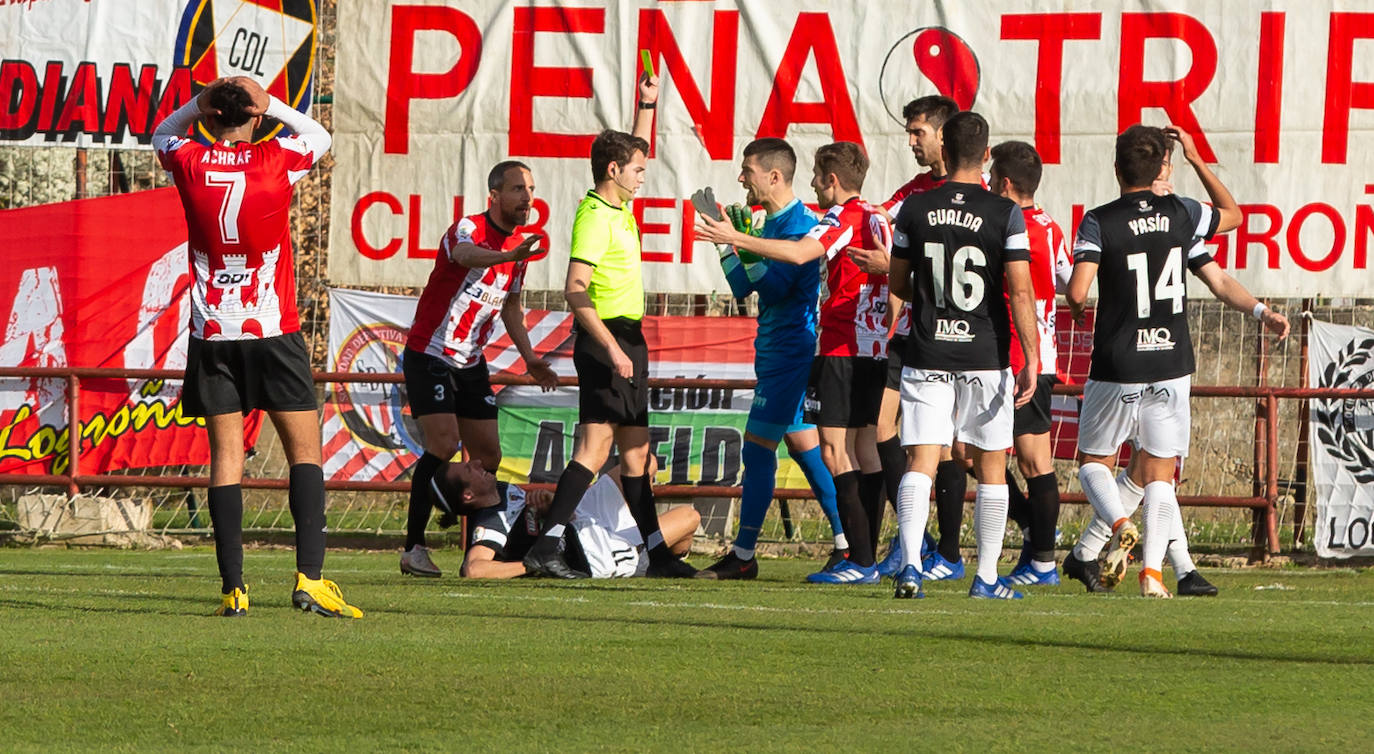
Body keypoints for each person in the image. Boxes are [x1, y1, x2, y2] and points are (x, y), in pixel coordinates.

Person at [152, 76, 360, 618]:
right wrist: (273, 107)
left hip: (213, 332)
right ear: (257, 115)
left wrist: (200, 104)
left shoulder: (191, 162)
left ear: (210, 116)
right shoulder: (277, 159)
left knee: (225, 457)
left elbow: (162, 132)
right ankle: (309, 580)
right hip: (271, 327)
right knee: (305, 453)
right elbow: (318, 134)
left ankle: (233, 589)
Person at [1063, 124, 1289, 597]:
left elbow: (1079, 292)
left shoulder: (1099, 220)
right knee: (1160, 471)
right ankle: (1153, 575)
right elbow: (1233, 218)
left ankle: (1119, 526)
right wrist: (1196, 157)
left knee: (1093, 464)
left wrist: (1081, 302)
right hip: (1170, 360)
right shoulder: (1182, 214)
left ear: (1115, 167)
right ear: (1164, 165)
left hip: (1118, 361)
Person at [521, 73, 697, 579]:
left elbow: (634, 151)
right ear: (614, 170)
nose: (644, 176)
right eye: (637, 170)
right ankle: (546, 544)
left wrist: (646, 105)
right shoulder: (595, 215)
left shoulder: (619, 204)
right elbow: (575, 290)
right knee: (596, 449)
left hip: (628, 339)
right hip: (608, 340)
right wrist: (613, 350)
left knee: (637, 454)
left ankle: (657, 553)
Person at [695, 141, 889, 584]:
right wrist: (730, 247)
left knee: (758, 447)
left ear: (773, 177)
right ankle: (847, 545)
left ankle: (744, 554)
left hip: (793, 352)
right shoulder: (775, 224)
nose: (742, 178)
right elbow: (745, 287)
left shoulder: (803, 225)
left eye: (748, 171)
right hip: (775, 347)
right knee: (808, 449)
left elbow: (780, 289)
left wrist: (742, 243)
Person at [887, 111, 1040, 600]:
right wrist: (1031, 357)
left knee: (921, 461)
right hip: (984, 355)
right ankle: (987, 578)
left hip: (928, 352)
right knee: (992, 467)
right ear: (987, 156)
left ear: (944, 152)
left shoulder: (914, 208)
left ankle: (911, 567)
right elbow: (1020, 291)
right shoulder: (1005, 212)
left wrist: (933, 299)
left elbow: (897, 284)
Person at [398, 160, 558, 578]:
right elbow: (465, 255)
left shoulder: (520, 249)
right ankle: (413, 545)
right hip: (430, 352)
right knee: (445, 444)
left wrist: (532, 359)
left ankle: (487, 542)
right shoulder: (467, 229)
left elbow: (511, 308)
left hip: (470, 361)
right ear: (495, 196)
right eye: (518, 188)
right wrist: (506, 254)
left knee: (489, 454)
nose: (527, 197)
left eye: (530, 188)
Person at [870, 96, 972, 581]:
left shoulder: (978, 192)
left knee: (956, 448)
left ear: (944, 134)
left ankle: (949, 551)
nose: (911, 142)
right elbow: (874, 218)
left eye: (918, 133)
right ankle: (919, 540)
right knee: (886, 428)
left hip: (963, 336)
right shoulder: (914, 193)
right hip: (914, 330)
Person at [986, 141, 1072, 587]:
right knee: (971, 452)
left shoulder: (1006, 227)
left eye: (991, 177)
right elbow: (1069, 283)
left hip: (1021, 358)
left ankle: (1042, 559)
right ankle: (1034, 528)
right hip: (1035, 354)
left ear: (1003, 183)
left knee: (1033, 460)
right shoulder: (1052, 228)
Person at [460, 459, 700, 579]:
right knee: (689, 517)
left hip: (581, 516)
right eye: (468, 470)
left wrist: (551, 504)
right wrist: (533, 564)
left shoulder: (500, 489)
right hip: (594, 549)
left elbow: (547, 519)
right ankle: (651, 555)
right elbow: (473, 569)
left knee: (642, 461)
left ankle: (645, 538)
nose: (476, 463)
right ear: (468, 495)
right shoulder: (489, 517)